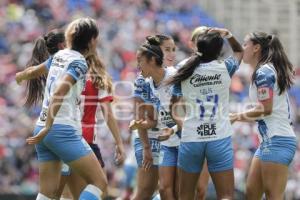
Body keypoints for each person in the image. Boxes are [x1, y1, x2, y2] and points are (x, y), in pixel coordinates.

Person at [25, 18, 108, 200]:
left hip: (43, 127)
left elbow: (32, 72)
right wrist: (49, 126)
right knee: (99, 183)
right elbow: (59, 92)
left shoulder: (59, 56)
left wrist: (20, 76)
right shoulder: (79, 63)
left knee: (48, 193)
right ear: (92, 40)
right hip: (61, 130)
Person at [167, 28, 243, 200]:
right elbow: (239, 51)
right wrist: (228, 34)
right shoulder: (225, 68)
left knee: (185, 196)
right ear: (219, 51)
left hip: (192, 138)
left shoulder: (183, 69)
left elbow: (173, 108)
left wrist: (182, 125)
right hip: (219, 138)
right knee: (226, 196)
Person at [230, 32, 297, 200]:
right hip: (268, 141)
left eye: (245, 44)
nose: (242, 48)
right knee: (252, 193)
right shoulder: (263, 71)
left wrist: (235, 116)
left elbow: (265, 109)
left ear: (256, 48)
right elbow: (262, 111)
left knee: (273, 196)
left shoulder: (264, 73)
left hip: (278, 140)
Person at [60, 52, 126, 200]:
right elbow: (107, 113)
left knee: (68, 193)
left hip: (62, 135)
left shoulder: (65, 75)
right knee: (100, 188)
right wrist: (119, 142)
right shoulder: (97, 79)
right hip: (85, 139)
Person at [130, 34, 176, 200]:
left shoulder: (175, 76)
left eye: (173, 50)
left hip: (171, 139)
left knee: (167, 190)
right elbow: (144, 117)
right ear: (155, 54)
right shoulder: (143, 81)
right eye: (167, 50)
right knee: (145, 191)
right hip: (149, 139)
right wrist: (146, 147)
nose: (171, 55)